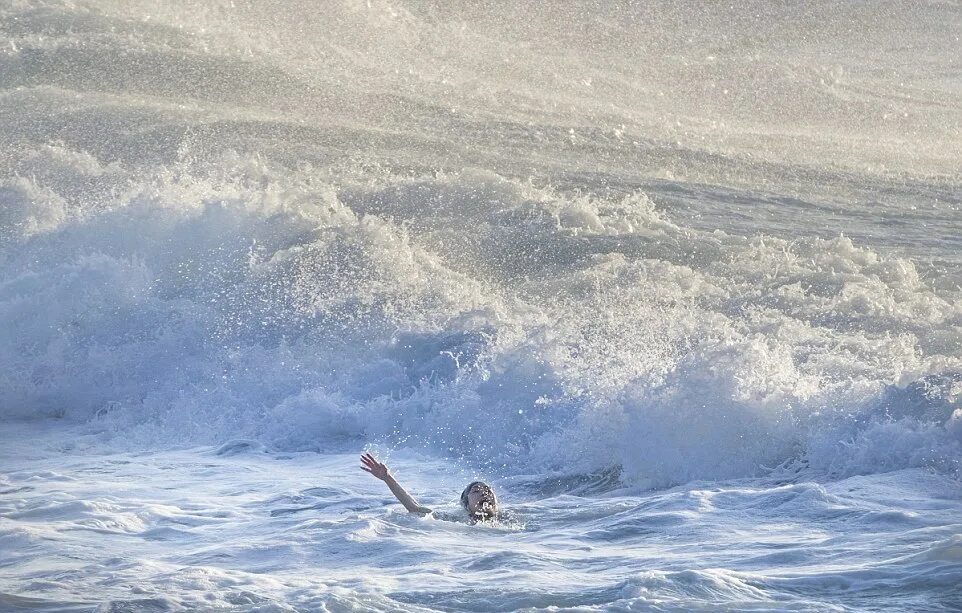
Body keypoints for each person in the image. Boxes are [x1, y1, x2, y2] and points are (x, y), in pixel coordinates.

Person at [360, 453, 499, 522]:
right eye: (476, 491)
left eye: (487, 490)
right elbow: (415, 509)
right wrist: (387, 478)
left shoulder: (511, 518)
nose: (484, 493)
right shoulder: (455, 520)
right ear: (467, 505)